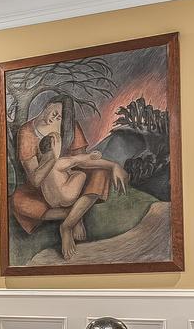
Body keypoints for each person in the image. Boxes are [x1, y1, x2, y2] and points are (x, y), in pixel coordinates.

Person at [8, 95, 128, 258]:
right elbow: (35, 180)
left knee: (100, 172)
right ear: (48, 105)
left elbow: (82, 161)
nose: (55, 118)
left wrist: (113, 165)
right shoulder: (27, 132)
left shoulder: (69, 126)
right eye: (55, 112)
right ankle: (75, 215)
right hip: (41, 187)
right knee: (18, 201)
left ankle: (67, 224)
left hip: (69, 178)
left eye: (60, 117)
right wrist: (53, 159)